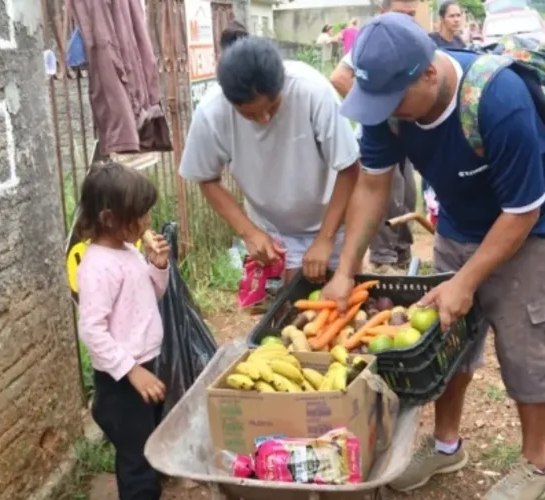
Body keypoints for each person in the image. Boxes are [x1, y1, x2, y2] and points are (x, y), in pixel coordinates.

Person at [326, 13, 545, 499]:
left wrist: (465, 281)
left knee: (529, 346)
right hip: (459, 226)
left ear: (429, 75)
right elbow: (373, 187)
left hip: (526, 233)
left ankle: (537, 466)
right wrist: (345, 268)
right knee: (448, 345)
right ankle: (445, 446)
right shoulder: (389, 109)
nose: (385, 112)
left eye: (394, 101)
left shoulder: (499, 100)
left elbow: (522, 211)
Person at [179, 37, 360, 283]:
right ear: (230, 101)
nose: (264, 119)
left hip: (334, 221)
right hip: (274, 232)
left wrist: (326, 238)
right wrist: (249, 232)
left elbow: (349, 167)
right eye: (249, 114)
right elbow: (206, 178)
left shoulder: (312, 91)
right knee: (294, 306)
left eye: (272, 107)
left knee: (351, 293)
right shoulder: (211, 112)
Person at [74, 163, 172, 500]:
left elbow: (148, 297)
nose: (146, 222)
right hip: (122, 383)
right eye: (139, 215)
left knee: (148, 443)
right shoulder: (98, 267)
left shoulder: (128, 251)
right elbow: (92, 330)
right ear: (109, 218)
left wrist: (158, 267)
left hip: (144, 367)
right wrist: (131, 371)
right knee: (137, 462)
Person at [329, 0, 423, 271]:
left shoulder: (411, 40)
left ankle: (401, 253)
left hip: (403, 131)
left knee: (406, 194)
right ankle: (383, 259)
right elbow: (338, 77)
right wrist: (378, 111)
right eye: (401, 14)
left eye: (411, 15)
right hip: (380, 136)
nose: (407, 20)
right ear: (383, 13)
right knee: (384, 196)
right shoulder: (374, 43)